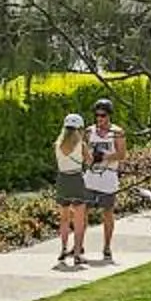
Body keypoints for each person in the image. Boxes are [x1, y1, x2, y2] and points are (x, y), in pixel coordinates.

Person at [82, 96, 123, 266]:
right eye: (97, 115)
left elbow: (122, 154)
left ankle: (107, 246)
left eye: (103, 115)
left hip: (108, 177)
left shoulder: (117, 132)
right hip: (91, 177)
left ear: (109, 116)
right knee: (82, 211)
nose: (100, 119)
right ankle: (79, 245)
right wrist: (89, 159)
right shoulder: (89, 131)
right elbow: (83, 151)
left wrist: (106, 156)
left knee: (107, 212)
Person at [52, 113, 90, 269]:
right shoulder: (81, 145)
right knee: (79, 219)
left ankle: (63, 249)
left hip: (62, 180)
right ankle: (77, 253)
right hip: (76, 179)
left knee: (64, 218)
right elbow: (89, 161)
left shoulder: (57, 144)